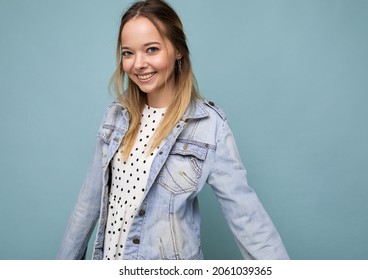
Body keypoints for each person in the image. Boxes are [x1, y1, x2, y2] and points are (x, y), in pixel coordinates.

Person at [57, 0, 289, 260]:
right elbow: (86, 207)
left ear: (178, 49)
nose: (138, 64)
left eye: (152, 49)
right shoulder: (115, 116)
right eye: (128, 53)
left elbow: (248, 219)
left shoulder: (208, 126)